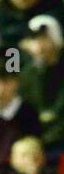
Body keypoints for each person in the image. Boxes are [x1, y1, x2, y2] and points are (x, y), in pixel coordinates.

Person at [19, 16, 64, 160]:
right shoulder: (26, 74)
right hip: (36, 143)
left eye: (44, 38)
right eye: (34, 40)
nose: (39, 46)